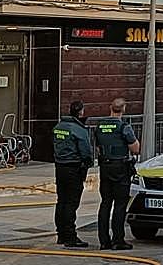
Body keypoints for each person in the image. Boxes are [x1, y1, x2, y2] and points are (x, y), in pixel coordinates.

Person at [95, 98, 141, 250]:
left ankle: (104, 240)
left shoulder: (100, 126)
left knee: (105, 203)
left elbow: (98, 147)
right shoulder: (124, 127)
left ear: (110, 107)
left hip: (105, 167)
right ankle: (118, 240)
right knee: (120, 205)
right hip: (120, 167)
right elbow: (135, 148)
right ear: (124, 109)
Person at [53, 101, 93, 248]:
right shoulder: (78, 130)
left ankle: (61, 234)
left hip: (60, 168)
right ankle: (70, 236)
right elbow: (86, 152)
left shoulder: (59, 126)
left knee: (61, 201)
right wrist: (87, 165)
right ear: (81, 112)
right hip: (73, 169)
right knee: (71, 203)